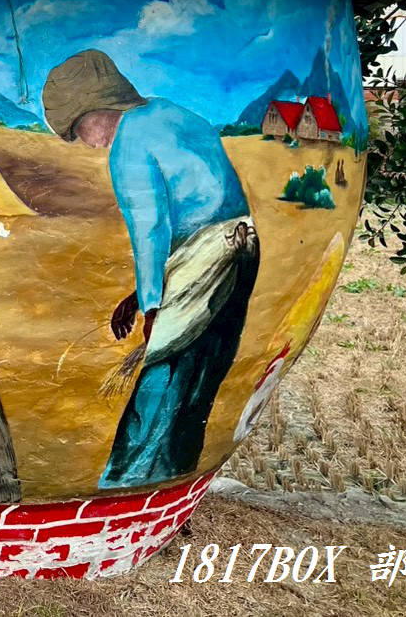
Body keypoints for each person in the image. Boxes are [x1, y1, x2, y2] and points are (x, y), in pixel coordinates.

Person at [42, 49, 259, 488]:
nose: (84, 141)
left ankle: (129, 482)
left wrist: (154, 307)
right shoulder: (174, 113)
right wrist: (139, 294)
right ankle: (175, 476)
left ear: (95, 109)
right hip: (243, 246)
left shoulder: (128, 148)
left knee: (163, 382)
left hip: (207, 260)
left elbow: (152, 229)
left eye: (78, 128)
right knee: (200, 380)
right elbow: (196, 212)